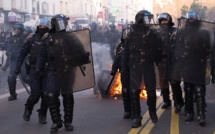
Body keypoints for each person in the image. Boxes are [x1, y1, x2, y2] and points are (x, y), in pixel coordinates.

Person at [35, 14, 92, 133]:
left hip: (67, 71)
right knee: (51, 95)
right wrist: (38, 68)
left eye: (64, 23)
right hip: (53, 72)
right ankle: (56, 122)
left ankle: (68, 121)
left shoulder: (70, 37)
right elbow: (42, 55)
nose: (63, 26)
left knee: (67, 96)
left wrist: (81, 57)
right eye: (60, 23)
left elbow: (81, 50)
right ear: (54, 24)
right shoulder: (47, 38)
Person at [121, 10, 163, 128]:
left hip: (149, 66)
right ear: (140, 19)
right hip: (135, 66)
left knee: (150, 91)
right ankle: (136, 117)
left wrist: (159, 62)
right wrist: (124, 66)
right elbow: (126, 51)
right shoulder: (132, 33)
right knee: (134, 92)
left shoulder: (154, 33)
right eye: (146, 18)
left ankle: (152, 112)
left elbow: (159, 48)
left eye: (149, 18)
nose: (148, 21)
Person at [170, 11, 212, 125]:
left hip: (199, 64)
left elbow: (210, 48)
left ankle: (201, 114)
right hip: (187, 64)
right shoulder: (182, 32)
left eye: (194, 18)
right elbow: (176, 48)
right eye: (190, 18)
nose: (192, 20)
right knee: (188, 89)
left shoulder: (204, 32)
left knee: (199, 89)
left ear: (198, 19)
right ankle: (189, 112)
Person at [14, 19, 51, 124]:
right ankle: (28, 109)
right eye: (41, 27)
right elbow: (22, 53)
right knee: (35, 94)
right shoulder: (31, 39)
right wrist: (17, 66)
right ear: (37, 27)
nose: (42, 29)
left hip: (47, 70)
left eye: (44, 27)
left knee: (46, 95)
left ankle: (42, 114)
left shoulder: (51, 39)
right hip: (34, 70)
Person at [157, 13, 184, 112]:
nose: (163, 22)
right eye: (162, 21)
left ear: (169, 21)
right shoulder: (158, 32)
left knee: (174, 82)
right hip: (162, 61)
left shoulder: (175, 31)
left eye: (165, 21)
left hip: (173, 61)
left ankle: (178, 102)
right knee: (163, 82)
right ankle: (166, 101)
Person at [111, 28, 131, 119]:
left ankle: (135, 112)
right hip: (124, 71)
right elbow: (117, 59)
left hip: (133, 71)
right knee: (125, 91)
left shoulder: (134, 45)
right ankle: (127, 111)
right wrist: (113, 70)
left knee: (133, 91)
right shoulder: (120, 46)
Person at [6, 23, 26, 101]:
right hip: (14, 61)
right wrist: (9, 52)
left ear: (21, 30)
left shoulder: (25, 38)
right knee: (11, 77)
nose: (16, 31)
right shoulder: (12, 38)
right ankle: (13, 94)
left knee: (25, 78)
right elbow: (9, 47)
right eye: (15, 29)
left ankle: (36, 91)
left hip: (23, 61)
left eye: (18, 29)